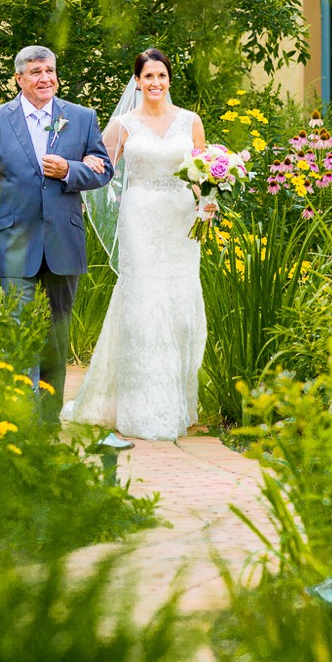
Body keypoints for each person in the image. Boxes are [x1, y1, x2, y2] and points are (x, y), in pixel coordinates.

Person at [0, 45, 114, 426]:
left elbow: (103, 169)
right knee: (17, 330)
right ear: (19, 79)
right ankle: (21, 417)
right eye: (35, 72)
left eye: (50, 71)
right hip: (14, 242)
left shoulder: (80, 118)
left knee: (56, 337)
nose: (45, 78)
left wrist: (70, 170)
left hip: (64, 241)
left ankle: (48, 420)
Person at [62, 48, 211, 441]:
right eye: (148, 77)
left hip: (180, 222)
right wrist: (70, 179)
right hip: (140, 219)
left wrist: (209, 198)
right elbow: (97, 167)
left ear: (169, 78)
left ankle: (176, 401)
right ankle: (140, 407)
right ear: (138, 81)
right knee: (143, 301)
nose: (155, 83)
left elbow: (202, 172)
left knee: (178, 303)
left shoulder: (190, 122)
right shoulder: (124, 124)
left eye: (161, 75)